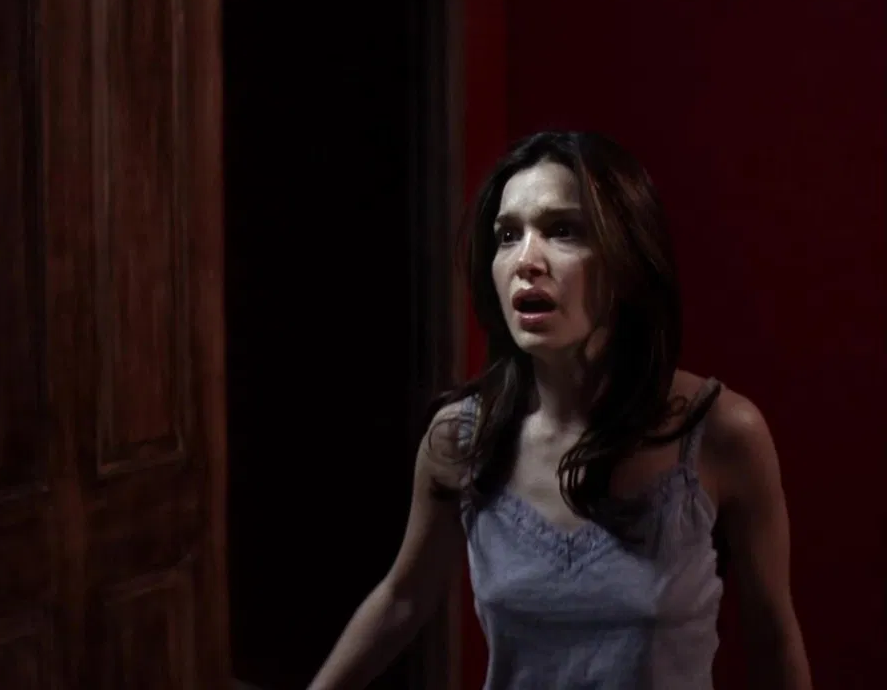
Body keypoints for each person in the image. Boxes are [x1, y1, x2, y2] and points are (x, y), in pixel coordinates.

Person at [307, 131, 811, 689]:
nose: (526, 260)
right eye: (507, 235)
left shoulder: (721, 433)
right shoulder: (462, 440)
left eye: (562, 230)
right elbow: (402, 600)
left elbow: (772, 636)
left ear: (626, 258)